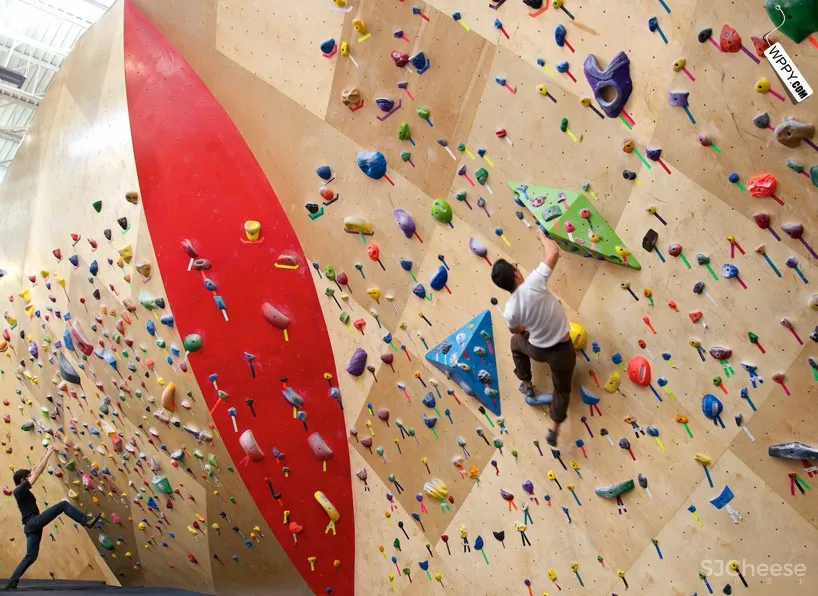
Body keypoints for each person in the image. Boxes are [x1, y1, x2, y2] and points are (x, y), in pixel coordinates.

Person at [491, 229, 574, 447]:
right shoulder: (534, 282)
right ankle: (554, 429)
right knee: (562, 390)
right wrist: (542, 237)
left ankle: (527, 383)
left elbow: (514, 330)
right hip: (562, 350)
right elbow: (553, 252)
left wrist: (524, 328)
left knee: (515, 344)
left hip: (538, 350)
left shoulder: (510, 309)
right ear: (516, 274)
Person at [5, 445, 101, 590]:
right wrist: (49, 454)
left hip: (30, 526)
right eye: (28, 477)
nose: (30, 477)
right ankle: (85, 520)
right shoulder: (19, 490)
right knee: (63, 505)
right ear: (23, 480)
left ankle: (11, 583)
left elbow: (34, 470)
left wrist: (46, 453)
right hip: (33, 522)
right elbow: (36, 473)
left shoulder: (20, 488)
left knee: (31, 556)